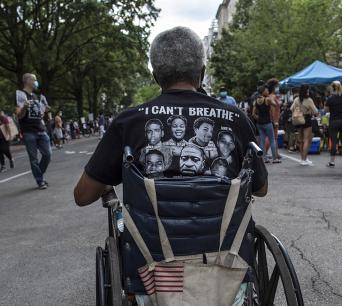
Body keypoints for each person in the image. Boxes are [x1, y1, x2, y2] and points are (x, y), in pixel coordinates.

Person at [74, 26, 268, 306]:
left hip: (153, 283)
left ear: (155, 76)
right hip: (226, 279)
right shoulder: (236, 119)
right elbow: (260, 189)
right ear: (201, 72)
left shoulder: (129, 122)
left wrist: (108, 180)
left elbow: (82, 196)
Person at [16, 73, 51, 189]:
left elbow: (39, 115)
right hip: (29, 132)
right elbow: (19, 116)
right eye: (34, 79)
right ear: (27, 81)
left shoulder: (36, 97)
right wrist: (24, 108)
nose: (36, 82)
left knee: (47, 154)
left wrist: (45, 110)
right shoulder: (20, 95)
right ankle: (40, 180)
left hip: (41, 130)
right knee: (34, 159)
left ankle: (39, 174)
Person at [290, 85, 318, 166]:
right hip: (306, 119)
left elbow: (291, 108)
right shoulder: (309, 100)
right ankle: (304, 159)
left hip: (298, 119)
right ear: (306, 91)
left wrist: (299, 110)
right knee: (307, 140)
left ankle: (303, 158)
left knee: (301, 140)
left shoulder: (296, 99)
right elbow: (315, 111)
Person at [252, 86, 280, 163]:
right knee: (272, 140)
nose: (268, 91)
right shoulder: (267, 99)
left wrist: (259, 118)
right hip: (267, 122)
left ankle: (264, 158)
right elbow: (275, 105)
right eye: (266, 90)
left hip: (259, 123)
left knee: (262, 141)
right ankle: (275, 158)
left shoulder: (256, 101)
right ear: (263, 91)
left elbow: (253, 114)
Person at [325, 81, 342, 167]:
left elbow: (326, 110)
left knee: (334, 141)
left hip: (334, 122)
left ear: (332, 88)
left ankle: (332, 162)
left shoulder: (330, 99)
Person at [267, 78, 281, 159]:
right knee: (271, 137)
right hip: (274, 119)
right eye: (277, 86)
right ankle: (264, 154)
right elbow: (272, 109)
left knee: (274, 137)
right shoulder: (272, 96)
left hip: (275, 119)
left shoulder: (273, 96)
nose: (278, 88)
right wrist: (274, 121)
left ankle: (276, 153)